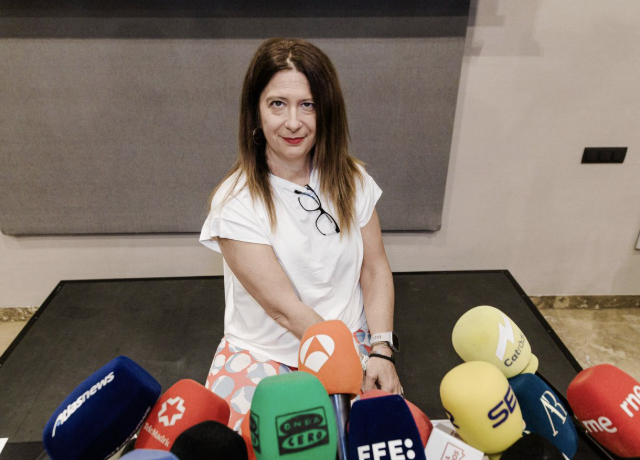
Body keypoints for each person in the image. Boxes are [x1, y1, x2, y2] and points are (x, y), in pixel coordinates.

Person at [199, 37, 401, 430]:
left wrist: (381, 349)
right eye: (278, 104)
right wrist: (347, 367)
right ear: (256, 113)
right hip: (267, 353)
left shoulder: (352, 178)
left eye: (308, 105)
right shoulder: (235, 201)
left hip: (353, 339)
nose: (293, 122)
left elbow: (374, 268)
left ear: (326, 111)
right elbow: (285, 310)